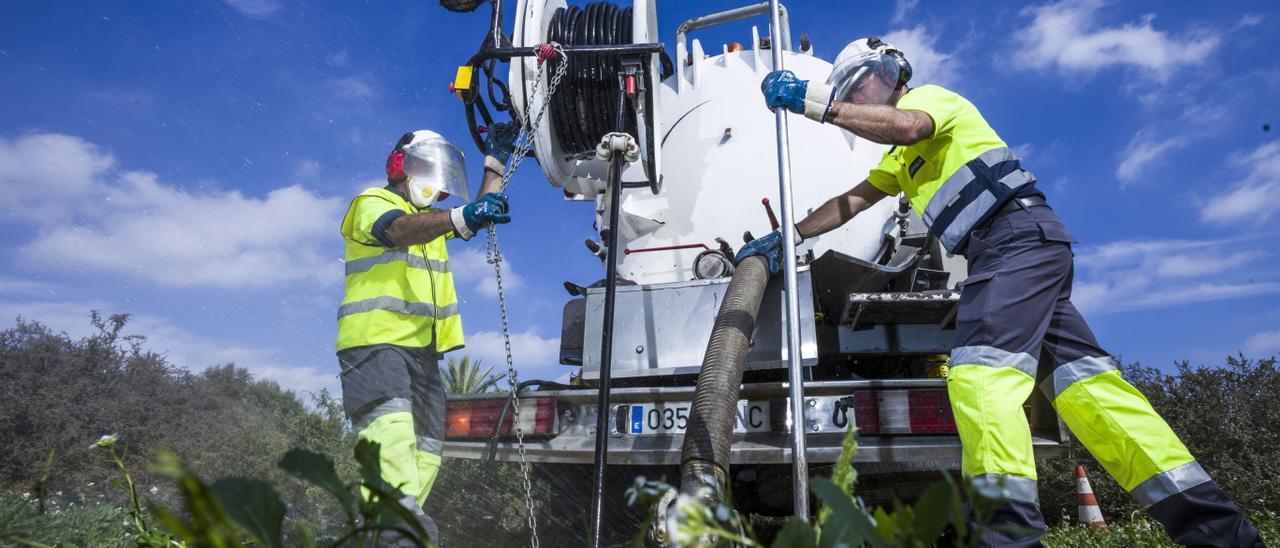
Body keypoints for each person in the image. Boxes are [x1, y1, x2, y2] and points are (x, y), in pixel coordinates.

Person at [739, 37, 1263, 547]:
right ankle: (1220, 532)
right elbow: (851, 201)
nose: (862, 99)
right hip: (1023, 248)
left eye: (867, 85)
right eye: (854, 93)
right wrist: (789, 234)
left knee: (979, 377)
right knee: (1092, 395)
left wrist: (814, 104)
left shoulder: (927, 101)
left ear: (893, 76)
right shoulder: (899, 163)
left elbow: (906, 126)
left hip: (1014, 239)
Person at [336, 123, 519, 544]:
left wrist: (495, 161)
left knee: (427, 453)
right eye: (428, 174)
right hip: (376, 344)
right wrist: (458, 218)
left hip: (421, 353)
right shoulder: (372, 202)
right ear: (399, 166)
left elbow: (479, 208)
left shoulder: (431, 223)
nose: (437, 187)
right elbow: (395, 231)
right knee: (392, 438)